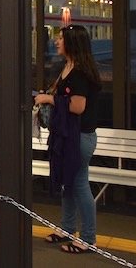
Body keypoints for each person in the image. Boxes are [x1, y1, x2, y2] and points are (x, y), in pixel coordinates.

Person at [34, 25, 101, 254]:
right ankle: (67, 229)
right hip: (71, 135)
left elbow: (78, 106)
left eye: (61, 38)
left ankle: (89, 239)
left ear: (72, 42)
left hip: (79, 137)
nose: (56, 41)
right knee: (69, 183)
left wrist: (49, 100)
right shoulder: (69, 67)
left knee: (79, 184)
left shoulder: (80, 72)